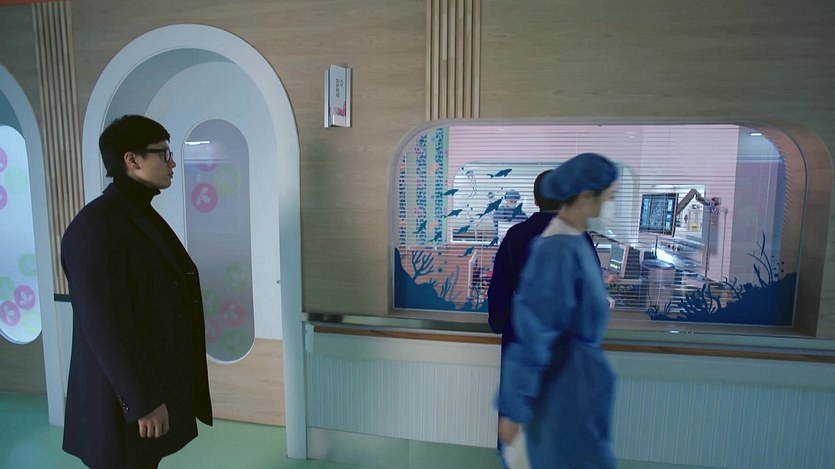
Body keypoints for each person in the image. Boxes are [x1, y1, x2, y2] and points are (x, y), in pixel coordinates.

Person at [61, 115, 212, 468]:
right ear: (131, 160)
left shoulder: (135, 215)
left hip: (147, 385)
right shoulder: (96, 228)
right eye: (163, 153)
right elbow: (104, 327)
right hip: (119, 402)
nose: (172, 163)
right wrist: (142, 401)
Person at [497, 152, 619, 468]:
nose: (610, 204)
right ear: (583, 196)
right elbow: (538, 328)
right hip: (556, 376)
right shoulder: (560, 248)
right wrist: (514, 408)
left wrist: (500, 323)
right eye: (609, 197)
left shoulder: (564, 240)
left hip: (567, 375)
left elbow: (501, 294)